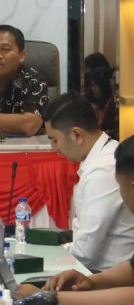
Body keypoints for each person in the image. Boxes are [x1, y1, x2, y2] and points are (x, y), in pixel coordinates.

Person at [17, 136, 134, 305]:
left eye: (120, 186)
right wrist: (91, 281)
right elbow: (132, 270)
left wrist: (49, 298)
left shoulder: (101, 169)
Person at [42, 93, 134, 271]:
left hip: (105, 276)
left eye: (55, 140)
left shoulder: (102, 170)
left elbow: (85, 253)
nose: (54, 149)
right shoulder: (103, 155)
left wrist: (46, 257)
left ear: (77, 134)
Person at [84, 66, 118, 141]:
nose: (93, 89)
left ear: (103, 85)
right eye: (92, 86)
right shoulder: (98, 105)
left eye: (95, 85)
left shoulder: (111, 106)